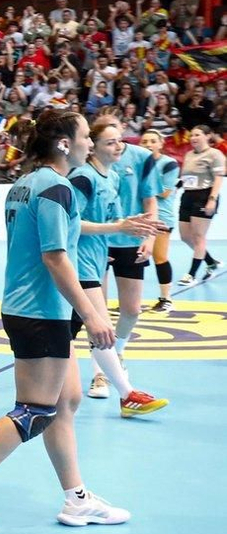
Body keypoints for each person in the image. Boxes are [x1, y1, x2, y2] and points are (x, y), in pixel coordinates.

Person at [0, 110, 134, 534]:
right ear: (64, 143)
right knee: (35, 412)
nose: (88, 144)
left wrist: (116, 226)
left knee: (66, 402)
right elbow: (56, 257)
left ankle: (76, 498)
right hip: (41, 311)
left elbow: (67, 234)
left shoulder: (24, 185)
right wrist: (94, 314)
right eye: (83, 136)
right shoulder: (57, 187)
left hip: (26, 307)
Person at [66, 118, 168, 416]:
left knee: (69, 331)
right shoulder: (82, 178)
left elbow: (110, 221)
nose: (119, 145)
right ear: (93, 147)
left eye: (119, 140)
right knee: (101, 329)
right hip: (79, 264)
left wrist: (122, 234)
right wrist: (112, 230)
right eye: (110, 142)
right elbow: (71, 224)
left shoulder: (111, 177)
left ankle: (53, 384)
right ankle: (127, 394)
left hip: (95, 261)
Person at [175, 127, 224, 287]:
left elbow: (218, 178)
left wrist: (212, 199)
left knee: (198, 236)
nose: (193, 137)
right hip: (188, 196)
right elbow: (186, 178)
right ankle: (210, 262)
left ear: (208, 136)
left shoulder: (214, 154)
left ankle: (191, 274)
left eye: (197, 135)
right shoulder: (189, 154)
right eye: (192, 135)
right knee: (185, 236)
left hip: (204, 195)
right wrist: (176, 187)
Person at [140, 130, 182, 313]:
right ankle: (132, 300)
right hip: (139, 217)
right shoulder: (139, 163)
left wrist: (138, 189)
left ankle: (166, 298)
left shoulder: (169, 164)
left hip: (161, 218)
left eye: (152, 141)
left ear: (160, 143)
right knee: (135, 259)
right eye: (145, 141)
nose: (148, 144)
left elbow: (165, 192)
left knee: (159, 257)